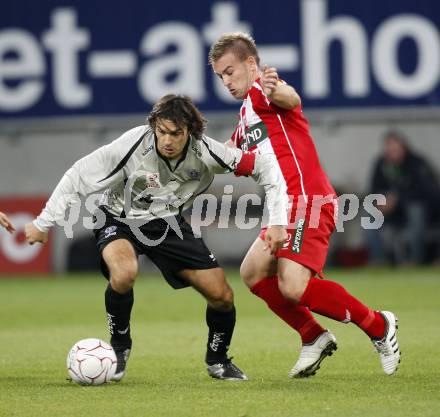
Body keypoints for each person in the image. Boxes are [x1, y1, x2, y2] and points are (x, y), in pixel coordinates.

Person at [24, 94, 289, 382]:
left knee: (222, 296)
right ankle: (120, 347)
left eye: (175, 133)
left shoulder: (207, 152)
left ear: (190, 132)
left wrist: (277, 221)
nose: (167, 140)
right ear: (154, 127)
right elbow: (77, 176)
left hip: (167, 224)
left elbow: (265, 168)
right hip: (117, 217)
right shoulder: (132, 146)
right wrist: (43, 222)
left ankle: (218, 360)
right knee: (124, 273)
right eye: (161, 131)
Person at [209, 32, 400, 377]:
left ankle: (378, 325)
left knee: (293, 286)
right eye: (220, 76)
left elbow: (290, 97)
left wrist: (273, 88)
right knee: (252, 272)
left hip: (307, 200)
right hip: (284, 209)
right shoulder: (246, 116)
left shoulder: (264, 91)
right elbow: (224, 154)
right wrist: (187, 157)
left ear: (251, 64)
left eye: (230, 71)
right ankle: (313, 335)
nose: (225, 81)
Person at [366, 131, 439, 265]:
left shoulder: (417, 163)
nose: (393, 153)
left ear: (404, 148)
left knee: (416, 211)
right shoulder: (380, 164)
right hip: (391, 213)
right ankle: (379, 260)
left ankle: (415, 260)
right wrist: (380, 203)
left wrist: (397, 200)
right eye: (390, 149)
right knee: (369, 214)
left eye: (396, 149)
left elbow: (428, 192)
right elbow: (373, 190)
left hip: (420, 211)